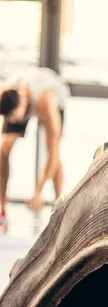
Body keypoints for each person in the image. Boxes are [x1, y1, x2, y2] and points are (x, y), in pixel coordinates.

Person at [0, 67, 70, 230]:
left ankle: (59, 212)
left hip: (53, 97)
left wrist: (38, 192)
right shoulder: (8, 93)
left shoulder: (46, 102)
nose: (14, 121)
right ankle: (2, 209)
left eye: (16, 118)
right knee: (3, 149)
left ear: (24, 105)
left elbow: (52, 155)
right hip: (21, 92)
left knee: (54, 151)